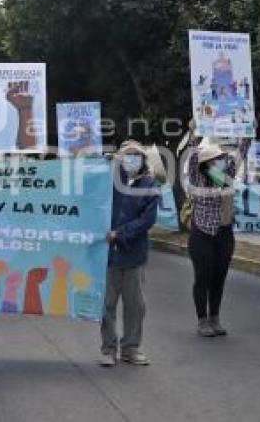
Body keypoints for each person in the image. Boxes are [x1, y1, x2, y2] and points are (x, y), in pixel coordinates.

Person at [184, 119, 249, 337]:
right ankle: (202, 320)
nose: (220, 162)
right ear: (206, 164)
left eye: (221, 159)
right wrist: (193, 131)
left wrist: (248, 126)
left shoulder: (227, 176)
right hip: (202, 233)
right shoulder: (197, 176)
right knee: (203, 276)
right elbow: (193, 155)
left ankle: (215, 318)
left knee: (219, 277)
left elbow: (242, 151)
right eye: (215, 160)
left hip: (224, 233)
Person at [101, 140, 159, 367]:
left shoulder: (150, 185)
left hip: (134, 255)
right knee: (106, 305)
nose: (131, 159)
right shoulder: (109, 181)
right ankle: (108, 349)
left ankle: (131, 348)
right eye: (127, 155)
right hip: (109, 255)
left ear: (143, 159)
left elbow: (147, 220)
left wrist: (120, 233)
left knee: (135, 305)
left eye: (136, 155)